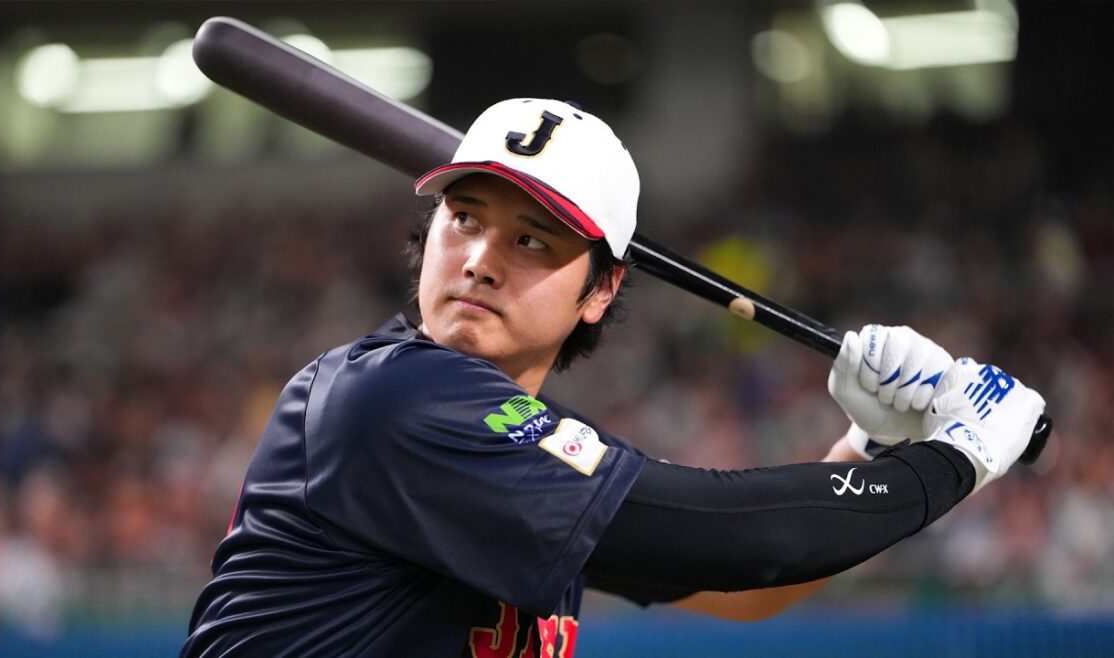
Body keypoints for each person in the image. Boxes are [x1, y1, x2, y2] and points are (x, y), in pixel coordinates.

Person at [180, 98, 1046, 657]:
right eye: (463, 218)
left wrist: (869, 443)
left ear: (601, 289)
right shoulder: (391, 401)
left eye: (531, 240)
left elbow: (743, 592)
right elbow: (741, 537)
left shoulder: (513, 451)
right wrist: (951, 459)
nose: (478, 260)